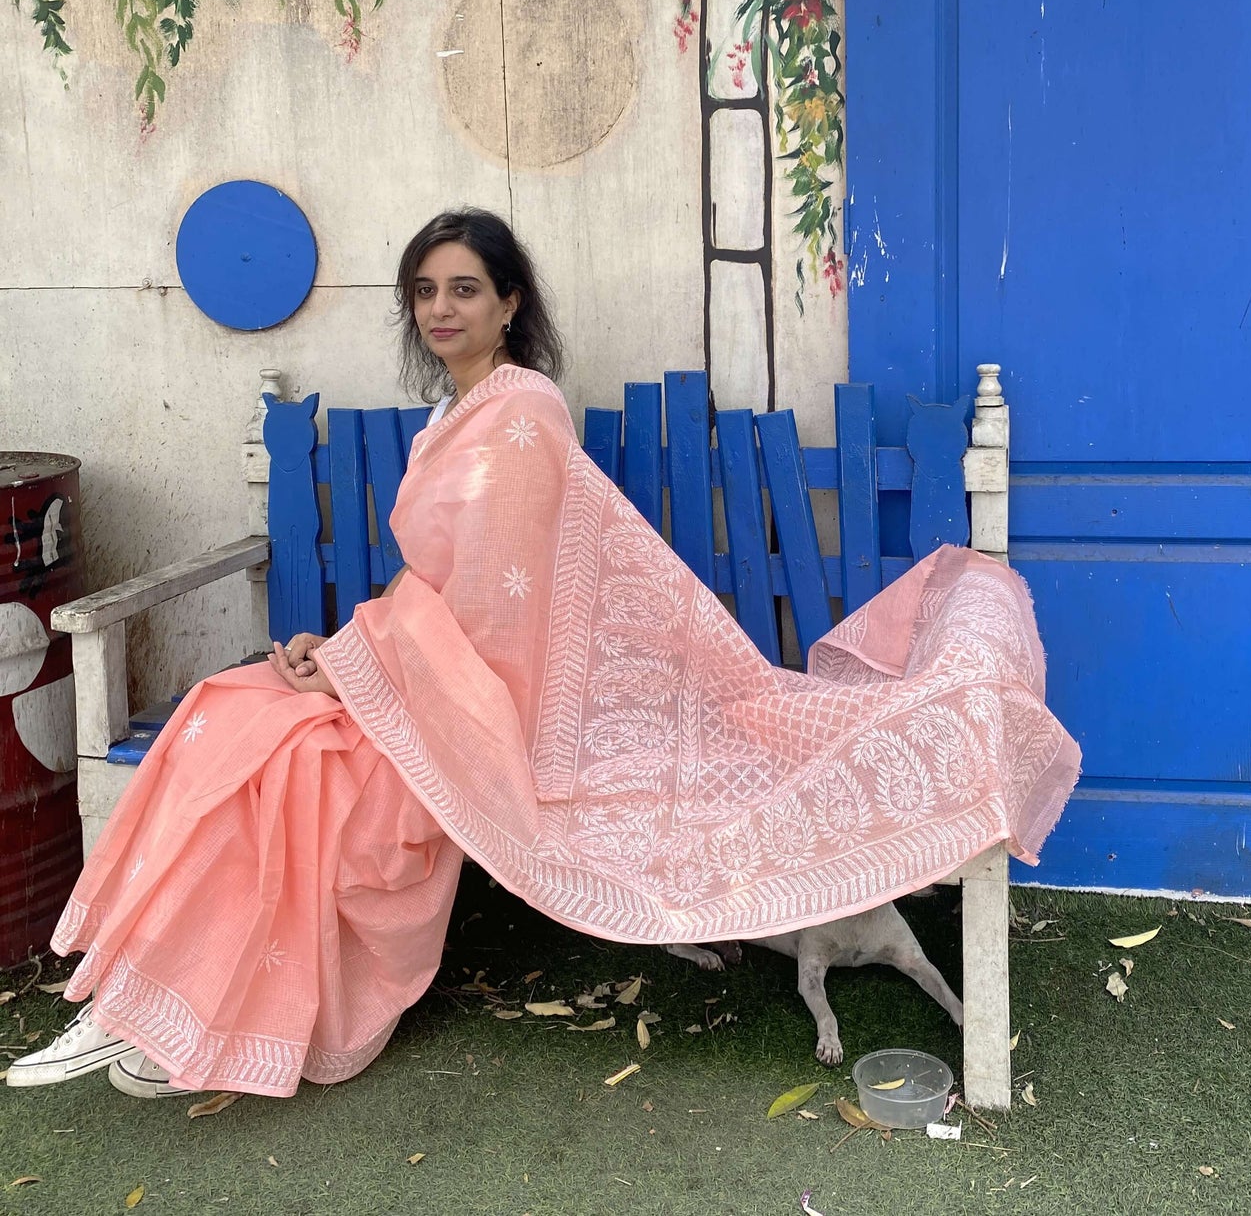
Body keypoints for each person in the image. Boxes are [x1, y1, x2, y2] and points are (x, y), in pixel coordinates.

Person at [9, 209, 1081, 1101]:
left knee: (297, 756)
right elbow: (431, 581)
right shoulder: (453, 414)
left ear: (509, 304)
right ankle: (141, 996)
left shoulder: (522, 414)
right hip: (420, 662)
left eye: (465, 288)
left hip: (489, 695)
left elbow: (493, 600)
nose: (441, 307)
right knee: (230, 714)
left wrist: (362, 665)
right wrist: (334, 648)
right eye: (425, 289)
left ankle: (187, 1005)